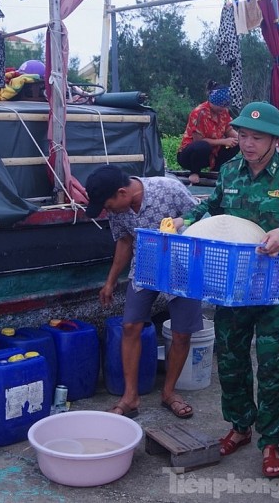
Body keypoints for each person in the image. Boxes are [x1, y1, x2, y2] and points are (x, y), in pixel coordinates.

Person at [174, 102, 279, 478]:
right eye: (242, 136)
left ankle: (270, 440)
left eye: (256, 137)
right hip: (232, 284)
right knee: (232, 358)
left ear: (274, 139)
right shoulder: (229, 171)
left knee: (271, 363)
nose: (247, 143)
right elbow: (210, 208)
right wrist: (184, 220)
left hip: (274, 287)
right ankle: (240, 426)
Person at [84, 165, 203, 419]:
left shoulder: (168, 189)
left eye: (107, 205)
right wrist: (110, 281)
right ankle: (130, 397)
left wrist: (183, 225)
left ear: (121, 192)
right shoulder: (119, 209)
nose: (108, 211)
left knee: (182, 333)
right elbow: (125, 241)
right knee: (130, 326)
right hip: (145, 267)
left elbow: (203, 216)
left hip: (184, 266)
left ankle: (169, 393)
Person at [177, 81, 240, 184]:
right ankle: (194, 172)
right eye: (221, 106)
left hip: (211, 155)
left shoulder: (224, 112)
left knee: (237, 143)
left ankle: (216, 169)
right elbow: (198, 141)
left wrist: (242, 139)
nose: (223, 109)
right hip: (190, 155)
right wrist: (223, 141)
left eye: (225, 106)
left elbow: (228, 130)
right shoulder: (199, 113)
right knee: (202, 146)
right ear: (213, 102)